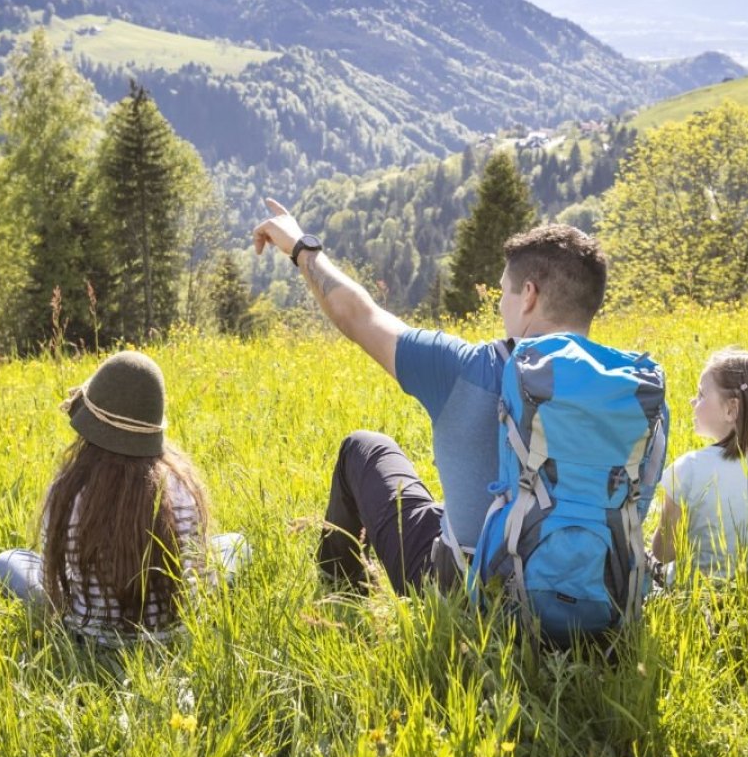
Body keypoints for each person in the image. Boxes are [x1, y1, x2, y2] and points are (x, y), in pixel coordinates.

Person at [251, 197, 612, 595]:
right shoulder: (631, 393)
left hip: (470, 596)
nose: (500, 304)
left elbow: (359, 315)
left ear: (528, 295)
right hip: (592, 594)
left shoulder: (467, 369)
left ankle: (341, 596)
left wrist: (301, 246)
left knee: (364, 448)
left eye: (504, 292)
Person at [0, 350, 247, 645]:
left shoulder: (67, 492)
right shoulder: (183, 487)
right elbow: (198, 573)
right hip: (173, 636)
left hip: (87, 638)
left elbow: (54, 585)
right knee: (235, 544)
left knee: (6, 561)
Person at [651, 350, 748, 579]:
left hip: (691, 600)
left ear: (731, 409)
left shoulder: (689, 468)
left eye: (701, 394)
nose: (692, 400)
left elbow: (663, 552)